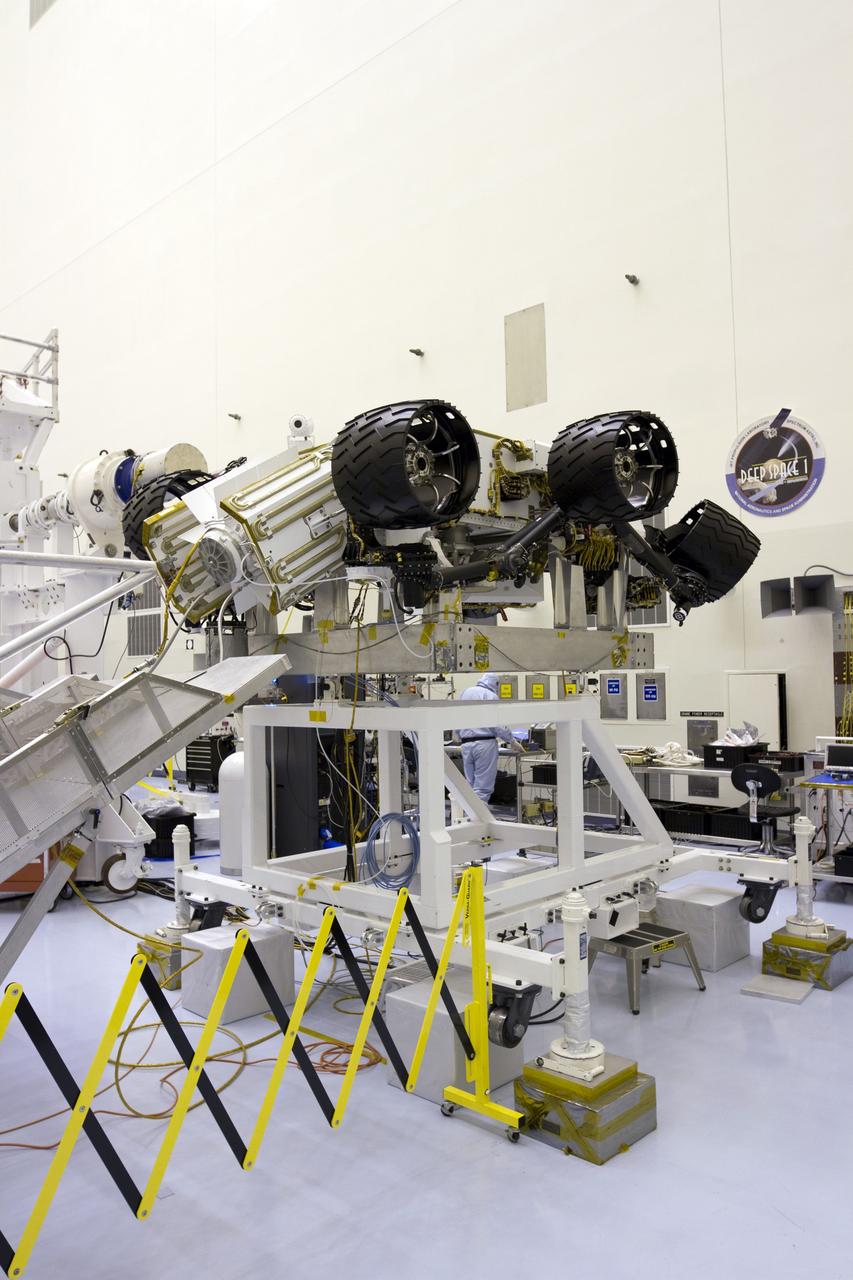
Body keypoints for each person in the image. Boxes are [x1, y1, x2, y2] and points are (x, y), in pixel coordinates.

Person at [458, 673, 524, 803]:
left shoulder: (464, 693)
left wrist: (461, 734)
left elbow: (455, 717)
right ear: (496, 684)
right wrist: (512, 741)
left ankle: (468, 817)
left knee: (469, 788)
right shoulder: (490, 695)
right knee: (482, 789)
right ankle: (478, 821)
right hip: (484, 745)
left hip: (465, 744)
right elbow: (497, 725)